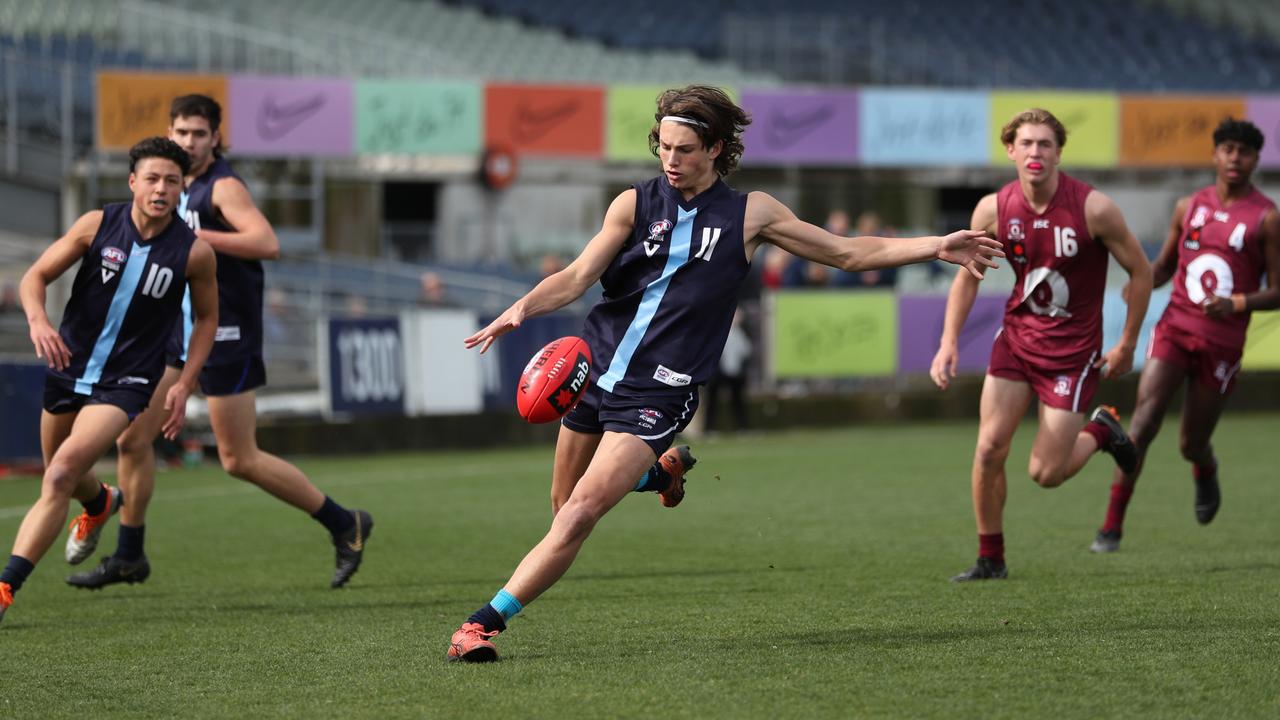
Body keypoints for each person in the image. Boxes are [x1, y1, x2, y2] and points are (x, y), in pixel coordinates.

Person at [446, 85, 1004, 661]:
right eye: (663, 147)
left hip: (660, 392)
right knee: (563, 506)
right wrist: (521, 307)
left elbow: (846, 254)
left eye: (684, 149)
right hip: (597, 368)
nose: (670, 159)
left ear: (715, 149)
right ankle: (658, 477)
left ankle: (480, 625)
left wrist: (936, 244)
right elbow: (577, 275)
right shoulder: (632, 204)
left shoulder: (750, 213)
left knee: (583, 512)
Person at [66, 95, 372, 591]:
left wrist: (198, 236)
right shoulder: (170, 184)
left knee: (238, 459)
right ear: (170, 131)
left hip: (226, 331)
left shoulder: (221, 186)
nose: (189, 141)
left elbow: (266, 242)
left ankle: (344, 523)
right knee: (130, 436)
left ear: (215, 138)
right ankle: (129, 554)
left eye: (199, 134)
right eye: (181, 132)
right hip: (174, 334)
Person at [0, 137, 218, 624]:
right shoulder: (98, 224)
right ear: (133, 182)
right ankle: (100, 504)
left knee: (58, 475)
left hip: (128, 382)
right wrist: (38, 321)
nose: (161, 189)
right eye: (153, 179)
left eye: (172, 181)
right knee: (66, 474)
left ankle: (5, 588)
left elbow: (206, 321)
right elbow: (34, 277)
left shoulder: (194, 253)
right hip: (68, 367)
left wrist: (185, 383)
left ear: (182, 189)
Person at [930, 108, 1154, 582]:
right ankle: (991, 558)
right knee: (989, 449)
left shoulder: (1094, 209)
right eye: (1026, 143)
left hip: (1072, 355)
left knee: (1046, 474)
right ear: (1010, 150)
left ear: (1058, 153)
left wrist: (1129, 343)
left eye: (1045, 144)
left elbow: (1141, 270)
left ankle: (1101, 431)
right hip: (1015, 341)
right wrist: (948, 342)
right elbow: (968, 278)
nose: (1035, 152)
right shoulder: (993, 209)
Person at [1090, 118, 1280, 553]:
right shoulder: (1188, 207)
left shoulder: (1266, 219)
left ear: (1255, 160)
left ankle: (1204, 465)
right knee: (1143, 420)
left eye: (1244, 151)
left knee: (1190, 442)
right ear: (1215, 154)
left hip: (1222, 345)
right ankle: (1111, 526)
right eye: (1227, 149)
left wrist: (1236, 304)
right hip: (1175, 328)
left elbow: (1278, 290)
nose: (1235, 158)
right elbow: (1164, 267)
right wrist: (1141, 279)